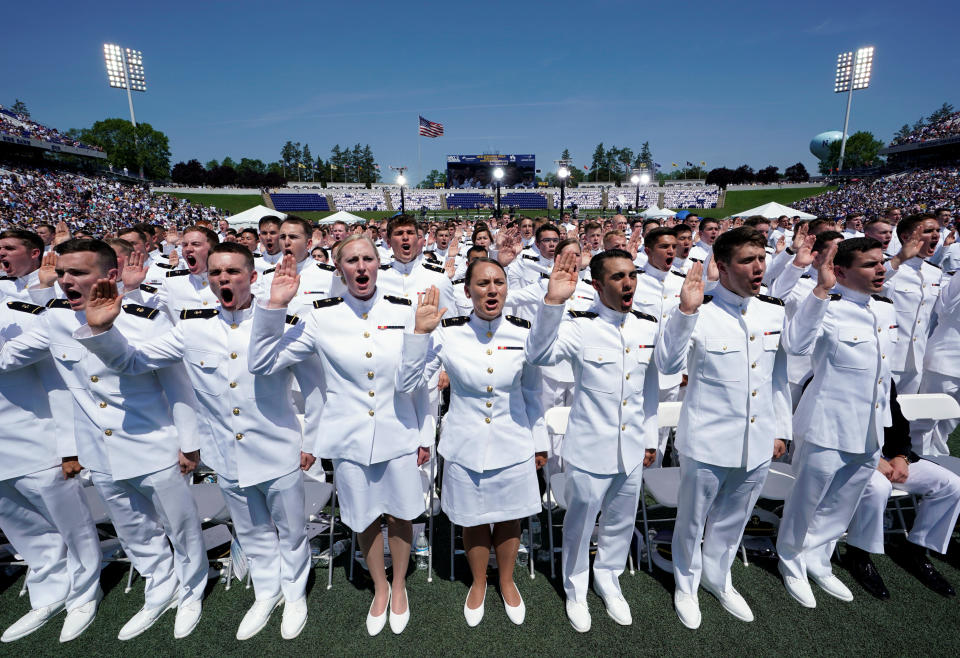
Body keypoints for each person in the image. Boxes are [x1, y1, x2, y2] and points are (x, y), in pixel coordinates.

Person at [78, 242, 324, 640]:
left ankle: (295, 594)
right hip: (226, 456)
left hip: (278, 450)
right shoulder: (192, 326)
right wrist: (103, 330)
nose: (224, 279)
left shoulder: (289, 320)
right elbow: (133, 362)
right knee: (252, 531)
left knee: (291, 530)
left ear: (253, 277)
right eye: (216, 273)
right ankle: (266, 592)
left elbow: (314, 388)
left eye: (233, 272)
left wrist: (311, 440)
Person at [0, 239, 209, 641]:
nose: (65, 281)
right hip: (101, 451)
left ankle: (191, 590)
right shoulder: (55, 320)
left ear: (110, 276)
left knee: (180, 527)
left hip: (155, 444)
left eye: (77, 273)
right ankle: (158, 586)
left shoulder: (145, 319)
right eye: (61, 273)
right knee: (134, 531)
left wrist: (188, 442)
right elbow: (7, 360)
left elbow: (178, 385)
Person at [250, 236, 431, 637]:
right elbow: (262, 363)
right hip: (349, 437)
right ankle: (379, 587)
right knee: (363, 517)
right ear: (340, 269)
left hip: (398, 430)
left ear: (378, 264)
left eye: (368, 258)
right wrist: (275, 306)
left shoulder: (404, 311)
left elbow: (417, 383)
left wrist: (425, 432)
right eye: (352, 260)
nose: (361, 266)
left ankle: (399, 583)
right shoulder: (320, 315)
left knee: (401, 514)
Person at [526, 248, 684, 632]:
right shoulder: (580, 325)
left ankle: (609, 577)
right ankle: (576, 587)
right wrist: (552, 303)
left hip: (629, 449)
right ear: (597, 285)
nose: (628, 283)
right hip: (589, 448)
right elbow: (539, 354)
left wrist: (648, 438)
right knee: (580, 526)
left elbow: (657, 380)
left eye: (632, 275)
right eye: (617, 277)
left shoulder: (647, 325)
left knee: (620, 521)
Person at [399, 260, 548, 627]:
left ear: (507, 289)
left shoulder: (524, 332)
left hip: (513, 441)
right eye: (482, 283)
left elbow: (532, 391)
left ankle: (507, 580)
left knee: (511, 516)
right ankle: (479, 582)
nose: (492, 290)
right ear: (468, 291)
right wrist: (420, 334)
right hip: (465, 442)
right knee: (473, 519)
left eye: (499, 282)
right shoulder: (447, 332)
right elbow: (410, 384)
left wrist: (540, 441)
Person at [656, 227, 791, 628]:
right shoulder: (698, 311)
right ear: (723, 266)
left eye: (762, 258)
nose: (759, 268)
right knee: (693, 519)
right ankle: (687, 582)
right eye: (748, 261)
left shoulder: (772, 310)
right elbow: (666, 366)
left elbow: (778, 377)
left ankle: (719, 576)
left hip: (758, 439)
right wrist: (686, 313)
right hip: (708, 439)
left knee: (735, 517)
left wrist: (780, 429)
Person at [777, 237, 896, 609]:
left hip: (869, 426)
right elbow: (795, 346)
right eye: (870, 264)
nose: (880, 269)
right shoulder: (825, 307)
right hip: (826, 424)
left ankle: (819, 557)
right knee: (806, 501)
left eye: (881, 262)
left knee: (844, 501)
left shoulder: (886, 310)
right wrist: (821, 290)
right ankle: (791, 559)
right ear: (842, 270)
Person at [0, 295, 102, 644]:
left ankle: (85, 592)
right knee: (22, 528)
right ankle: (49, 593)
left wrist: (68, 447)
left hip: (36, 439)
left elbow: (59, 384)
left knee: (72, 526)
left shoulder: (25, 317)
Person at [843, 381, 960, 600]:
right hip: (853, 458)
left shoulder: (884, 377)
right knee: (879, 488)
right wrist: (872, 459)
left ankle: (915, 550)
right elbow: (834, 426)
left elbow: (898, 421)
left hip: (891, 457)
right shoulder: (832, 369)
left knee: (952, 486)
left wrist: (902, 457)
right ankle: (858, 554)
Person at [882, 214, 944, 394]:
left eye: (937, 230)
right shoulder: (890, 267)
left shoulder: (934, 273)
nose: (936, 235)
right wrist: (900, 258)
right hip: (889, 357)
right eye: (928, 231)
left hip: (916, 359)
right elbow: (867, 283)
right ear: (906, 237)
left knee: (905, 418)